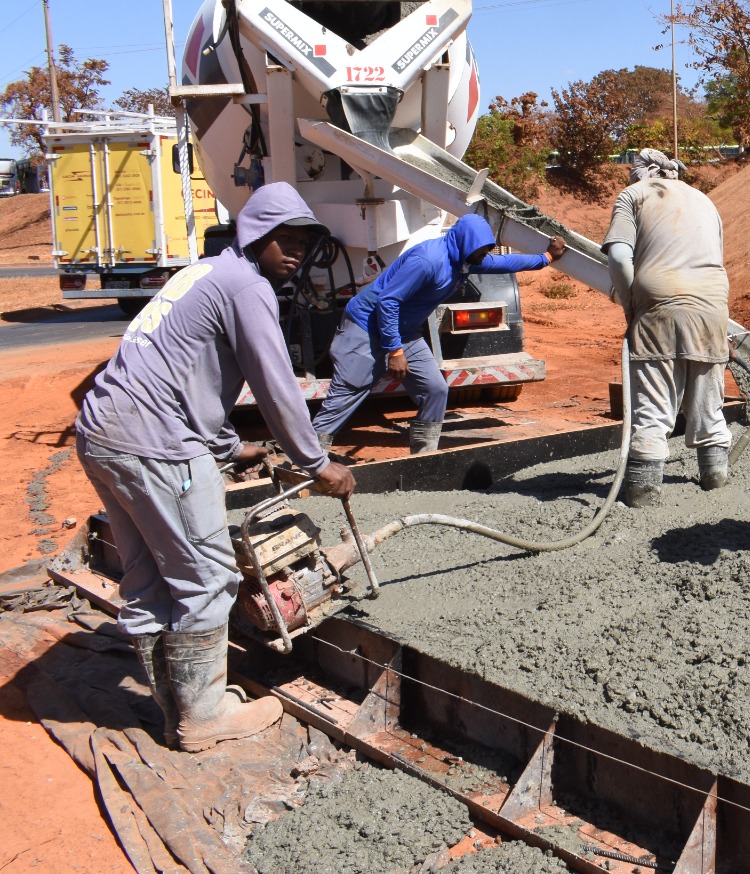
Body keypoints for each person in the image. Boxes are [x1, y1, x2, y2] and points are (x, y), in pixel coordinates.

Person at [75, 183, 357, 752]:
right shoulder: (248, 286)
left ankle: (172, 708)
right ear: (257, 235)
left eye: (304, 241)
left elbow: (183, 371)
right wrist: (317, 463)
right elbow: (275, 384)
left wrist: (231, 449)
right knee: (206, 579)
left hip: (104, 432)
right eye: (286, 239)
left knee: (149, 578)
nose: (296, 251)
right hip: (156, 445)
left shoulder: (203, 273)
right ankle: (204, 715)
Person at [311, 214, 566, 453]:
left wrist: (545, 258)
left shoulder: (465, 259)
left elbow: (504, 262)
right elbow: (388, 302)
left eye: (487, 249)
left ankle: (424, 457)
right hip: (366, 326)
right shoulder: (429, 261)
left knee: (435, 390)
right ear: (467, 242)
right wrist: (395, 350)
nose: (485, 255)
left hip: (404, 330)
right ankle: (307, 461)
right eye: (482, 249)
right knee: (347, 394)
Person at [603, 148, 732, 505]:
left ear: (640, 173)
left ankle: (644, 492)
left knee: (654, 407)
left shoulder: (634, 195)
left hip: (658, 307)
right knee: (708, 404)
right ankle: (715, 478)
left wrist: (630, 304)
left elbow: (617, 256)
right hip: (712, 307)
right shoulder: (705, 200)